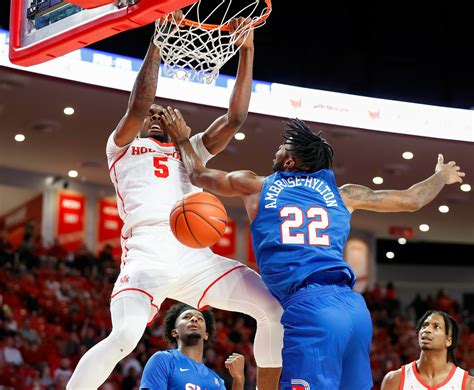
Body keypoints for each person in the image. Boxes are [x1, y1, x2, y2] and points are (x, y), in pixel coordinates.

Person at [161, 111, 466, 389]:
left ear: (290, 161)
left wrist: (183, 139)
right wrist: (441, 176)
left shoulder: (255, 185)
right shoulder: (344, 194)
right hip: (355, 311)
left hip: (312, 309)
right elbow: (411, 200)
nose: (276, 150)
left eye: (283, 147)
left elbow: (198, 174)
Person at [66, 14, 283, 390]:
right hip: (147, 254)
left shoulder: (188, 150)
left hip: (196, 256)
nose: (152, 116)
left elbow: (235, 119)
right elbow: (137, 105)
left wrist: (246, 49)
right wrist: (158, 40)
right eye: (148, 114)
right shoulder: (121, 147)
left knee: (273, 309)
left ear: (171, 124)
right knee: (123, 338)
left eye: (159, 115)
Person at [140, 303, 245, 389]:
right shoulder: (162, 360)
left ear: (206, 335)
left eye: (200, 319)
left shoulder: (217, 381)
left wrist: (238, 380)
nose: (194, 319)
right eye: (187, 317)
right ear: (174, 332)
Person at [382, 310, 473, 389]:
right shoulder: (394, 380)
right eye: (424, 325)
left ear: (448, 341)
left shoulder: (468, 385)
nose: (427, 330)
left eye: (436, 326)